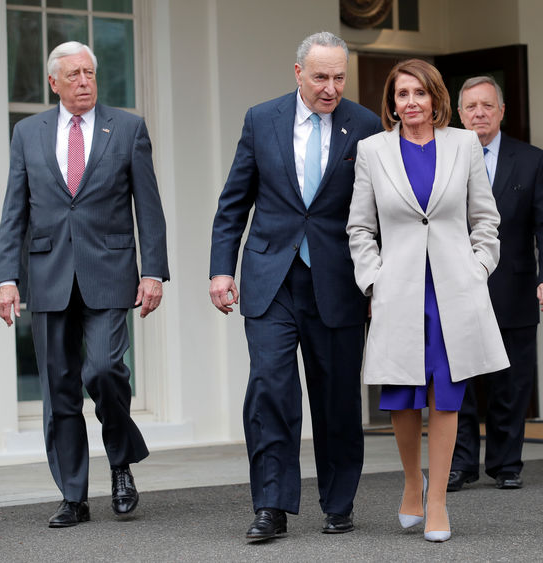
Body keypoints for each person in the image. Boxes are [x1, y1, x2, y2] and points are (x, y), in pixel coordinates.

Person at [208, 32, 382, 541]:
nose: (331, 88)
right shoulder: (262, 119)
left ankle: (339, 501)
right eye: (321, 77)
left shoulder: (365, 125)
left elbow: (376, 210)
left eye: (339, 77)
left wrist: (379, 278)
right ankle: (271, 506)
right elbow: (233, 201)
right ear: (298, 72)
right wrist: (222, 270)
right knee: (269, 390)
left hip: (338, 280)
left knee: (336, 397)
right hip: (270, 279)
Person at [0, 41, 169, 528]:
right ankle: (73, 494)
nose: (85, 81)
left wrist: (152, 271)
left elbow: (148, 208)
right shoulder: (28, 132)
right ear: (54, 82)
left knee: (105, 370)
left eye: (90, 73)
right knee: (60, 389)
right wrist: (6, 278)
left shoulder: (128, 127)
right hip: (47, 276)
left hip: (110, 272)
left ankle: (120, 462)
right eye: (73, 75)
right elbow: (15, 210)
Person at [347, 59, 509, 542]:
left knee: (445, 392)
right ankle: (411, 484)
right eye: (402, 94)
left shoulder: (464, 144)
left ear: (436, 98)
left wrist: (477, 268)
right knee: (401, 395)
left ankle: (437, 500)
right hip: (399, 292)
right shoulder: (371, 150)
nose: (411, 102)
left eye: (419, 93)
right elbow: (360, 226)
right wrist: (374, 280)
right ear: (391, 102)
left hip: (451, 293)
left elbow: (486, 219)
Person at [447, 76, 543, 493]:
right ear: (459, 114)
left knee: (511, 383)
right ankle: (460, 464)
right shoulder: (444, 155)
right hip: (455, 287)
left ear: (502, 111)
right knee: (457, 382)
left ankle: (506, 463)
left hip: (513, 287)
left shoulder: (532, 160)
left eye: (487, 106)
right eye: (471, 107)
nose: (479, 113)